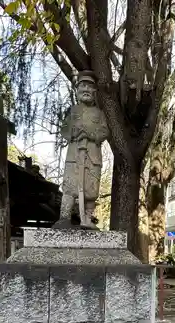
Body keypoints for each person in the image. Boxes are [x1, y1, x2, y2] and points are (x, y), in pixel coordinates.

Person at [55, 71, 108, 228]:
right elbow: (64, 129)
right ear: (77, 90)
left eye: (89, 87)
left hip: (92, 156)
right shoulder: (73, 111)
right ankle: (64, 217)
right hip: (74, 155)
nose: (86, 90)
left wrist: (91, 135)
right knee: (70, 187)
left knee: (91, 190)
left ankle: (87, 218)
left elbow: (105, 131)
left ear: (94, 91)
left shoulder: (99, 113)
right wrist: (75, 132)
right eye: (82, 86)